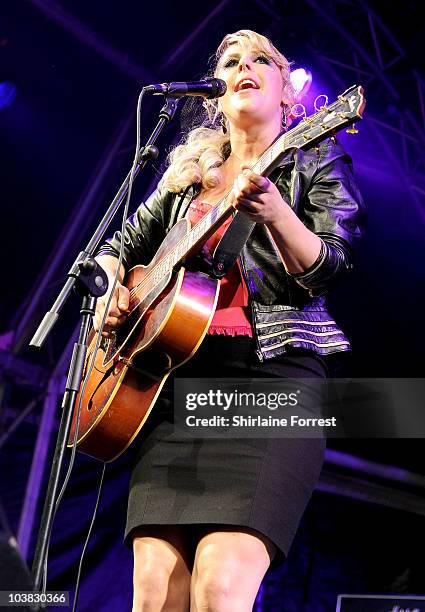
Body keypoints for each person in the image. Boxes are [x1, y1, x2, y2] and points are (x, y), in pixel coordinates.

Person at [94, 29, 364, 612]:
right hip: (171, 391)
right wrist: (112, 289)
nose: (243, 66)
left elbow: (328, 266)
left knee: (219, 588)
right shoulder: (186, 179)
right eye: (231, 62)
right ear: (215, 94)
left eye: (260, 60)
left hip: (269, 384)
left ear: (288, 97)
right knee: (153, 595)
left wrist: (275, 211)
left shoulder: (314, 157)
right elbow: (117, 248)